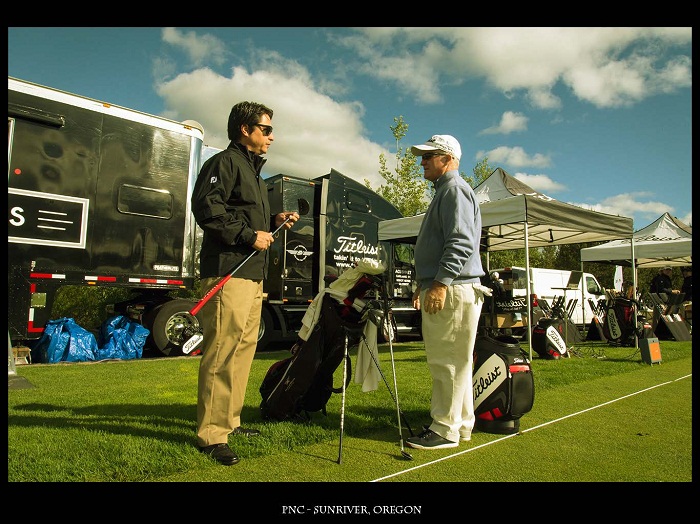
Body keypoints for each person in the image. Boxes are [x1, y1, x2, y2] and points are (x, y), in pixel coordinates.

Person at [191, 101, 299, 466]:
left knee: (241, 352)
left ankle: (230, 422)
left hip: (251, 275)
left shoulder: (253, 173)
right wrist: (249, 235)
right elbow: (207, 208)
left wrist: (273, 220)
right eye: (266, 129)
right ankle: (212, 434)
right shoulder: (223, 162)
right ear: (245, 129)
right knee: (222, 353)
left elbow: (240, 213)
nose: (271, 136)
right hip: (228, 273)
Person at [406, 134, 488, 450]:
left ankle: (444, 429)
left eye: (429, 156)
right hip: (454, 286)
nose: (422, 162)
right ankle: (461, 425)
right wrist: (426, 283)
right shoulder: (449, 190)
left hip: (453, 288)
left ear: (448, 158)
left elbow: (461, 242)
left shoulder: (453, 189)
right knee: (457, 362)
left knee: (447, 362)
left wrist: (440, 284)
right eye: (423, 156)